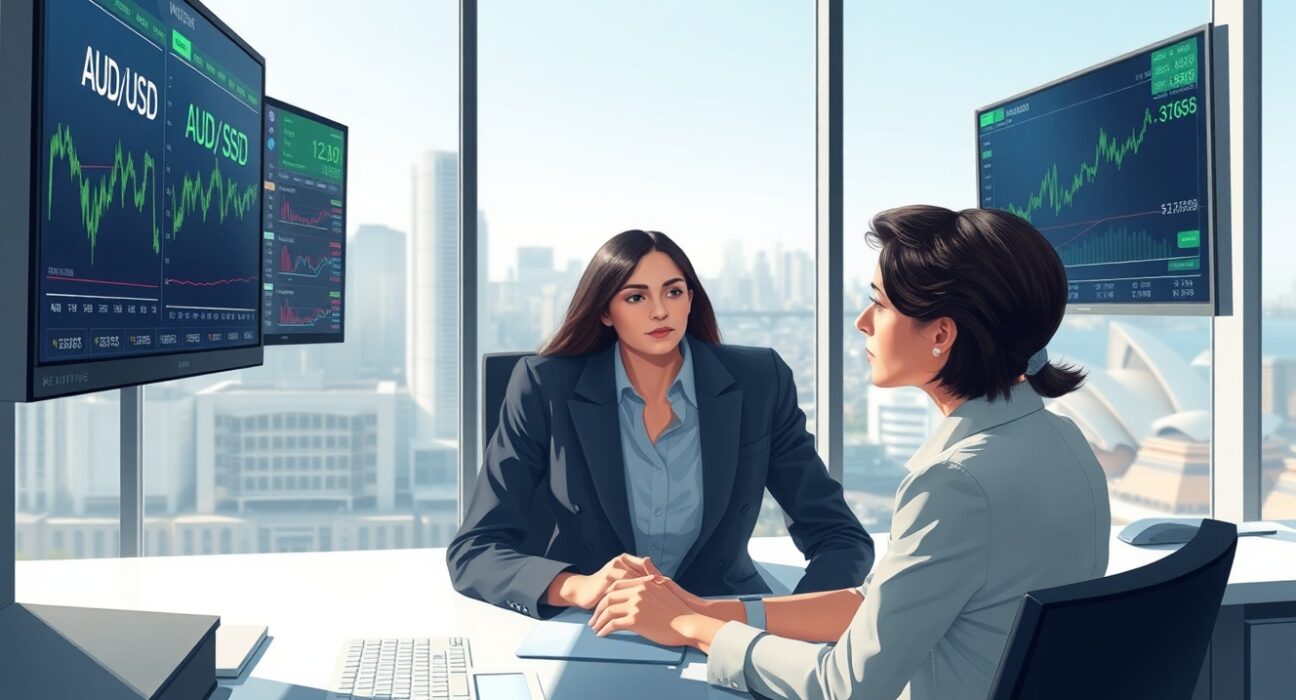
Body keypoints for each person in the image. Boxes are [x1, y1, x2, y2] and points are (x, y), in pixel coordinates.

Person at [589, 206, 1112, 700]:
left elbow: (843, 686)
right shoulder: (1063, 441)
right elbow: (878, 608)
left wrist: (690, 626)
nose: (863, 321)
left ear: (941, 333)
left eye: (880, 304)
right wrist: (705, 609)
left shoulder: (954, 484)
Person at [447, 229, 874, 620]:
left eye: (673, 292)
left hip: (721, 617)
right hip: (596, 622)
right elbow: (473, 551)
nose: (659, 311)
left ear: (690, 299)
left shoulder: (759, 381)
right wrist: (578, 587)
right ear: (606, 312)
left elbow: (840, 536)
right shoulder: (545, 387)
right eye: (635, 297)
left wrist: (791, 620)